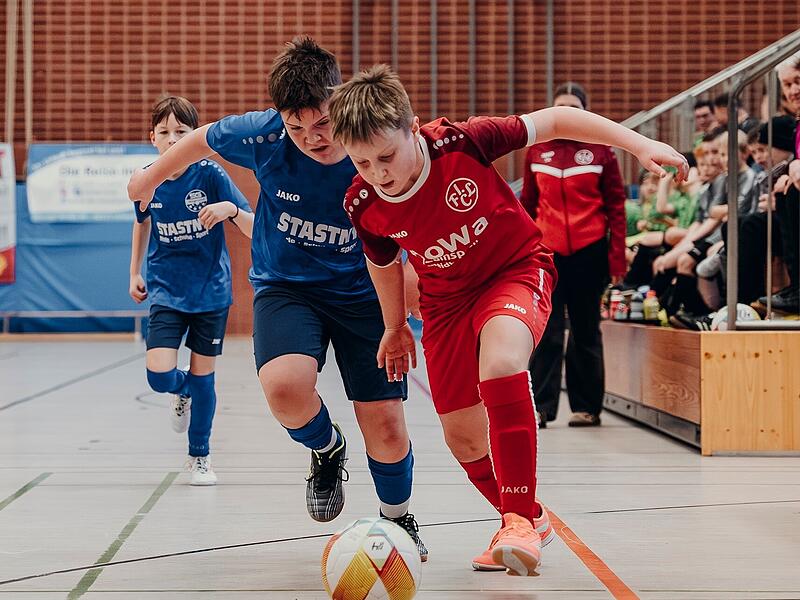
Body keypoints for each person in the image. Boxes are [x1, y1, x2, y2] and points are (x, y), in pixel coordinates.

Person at [327, 65, 688, 575]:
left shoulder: (460, 142)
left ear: (412, 128)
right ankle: (528, 518)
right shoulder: (362, 203)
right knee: (462, 437)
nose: (378, 173)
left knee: (500, 361)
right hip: (445, 304)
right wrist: (393, 327)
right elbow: (383, 262)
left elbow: (557, 119)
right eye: (362, 162)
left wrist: (638, 144)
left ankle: (516, 520)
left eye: (386, 156)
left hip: (515, 270)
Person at [127, 38, 427, 558]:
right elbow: (201, 137)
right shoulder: (261, 134)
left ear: (339, 101)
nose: (312, 138)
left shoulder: (371, 134)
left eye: (323, 123)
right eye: (297, 127)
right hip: (287, 286)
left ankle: (398, 520)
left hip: (364, 289)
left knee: (384, 421)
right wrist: (149, 178)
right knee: (285, 387)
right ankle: (327, 448)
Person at [129, 96, 254, 485]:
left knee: (206, 377)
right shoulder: (147, 179)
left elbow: (254, 226)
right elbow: (142, 221)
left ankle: (200, 456)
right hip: (166, 290)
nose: (172, 139)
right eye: (164, 132)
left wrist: (230, 210)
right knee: (159, 375)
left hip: (210, 293)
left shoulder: (211, 174)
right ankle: (182, 389)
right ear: (152, 138)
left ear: (194, 137)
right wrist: (134, 271)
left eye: (181, 132)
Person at [520, 82, 626, 428]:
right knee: (546, 332)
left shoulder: (602, 152)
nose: (567, 114)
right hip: (547, 255)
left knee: (585, 330)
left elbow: (616, 208)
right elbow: (528, 205)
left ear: (585, 113)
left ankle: (587, 407)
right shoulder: (537, 151)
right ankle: (540, 406)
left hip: (589, 251)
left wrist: (617, 258)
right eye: (560, 108)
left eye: (573, 109)